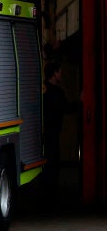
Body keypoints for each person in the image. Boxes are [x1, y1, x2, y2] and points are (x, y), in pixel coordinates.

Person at [42, 61, 81, 194]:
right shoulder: (57, 92)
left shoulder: (42, 90)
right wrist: (80, 102)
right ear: (54, 74)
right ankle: (52, 192)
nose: (61, 75)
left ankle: (47, 191)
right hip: (52, 133)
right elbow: (67, 108)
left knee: (47, 165)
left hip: (43, 133)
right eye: (59, 72)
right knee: (53, 164)